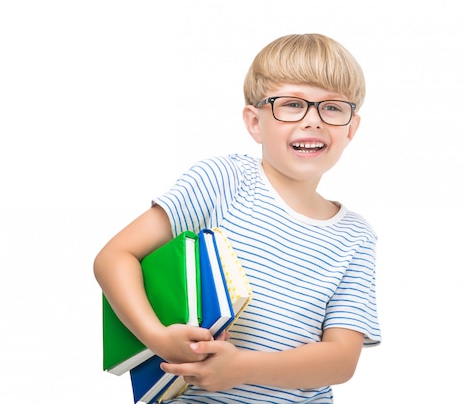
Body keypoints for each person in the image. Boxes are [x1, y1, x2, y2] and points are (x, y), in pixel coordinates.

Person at [94, 33, 381, 403]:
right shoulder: (223, 181)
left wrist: (242, 368)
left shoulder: (356, 236)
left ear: (351, 128)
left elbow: (341, 360)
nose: (313, 120)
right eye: (292, 104)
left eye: (332, 108)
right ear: (255, 122)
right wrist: (157, 337)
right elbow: (115, 257)